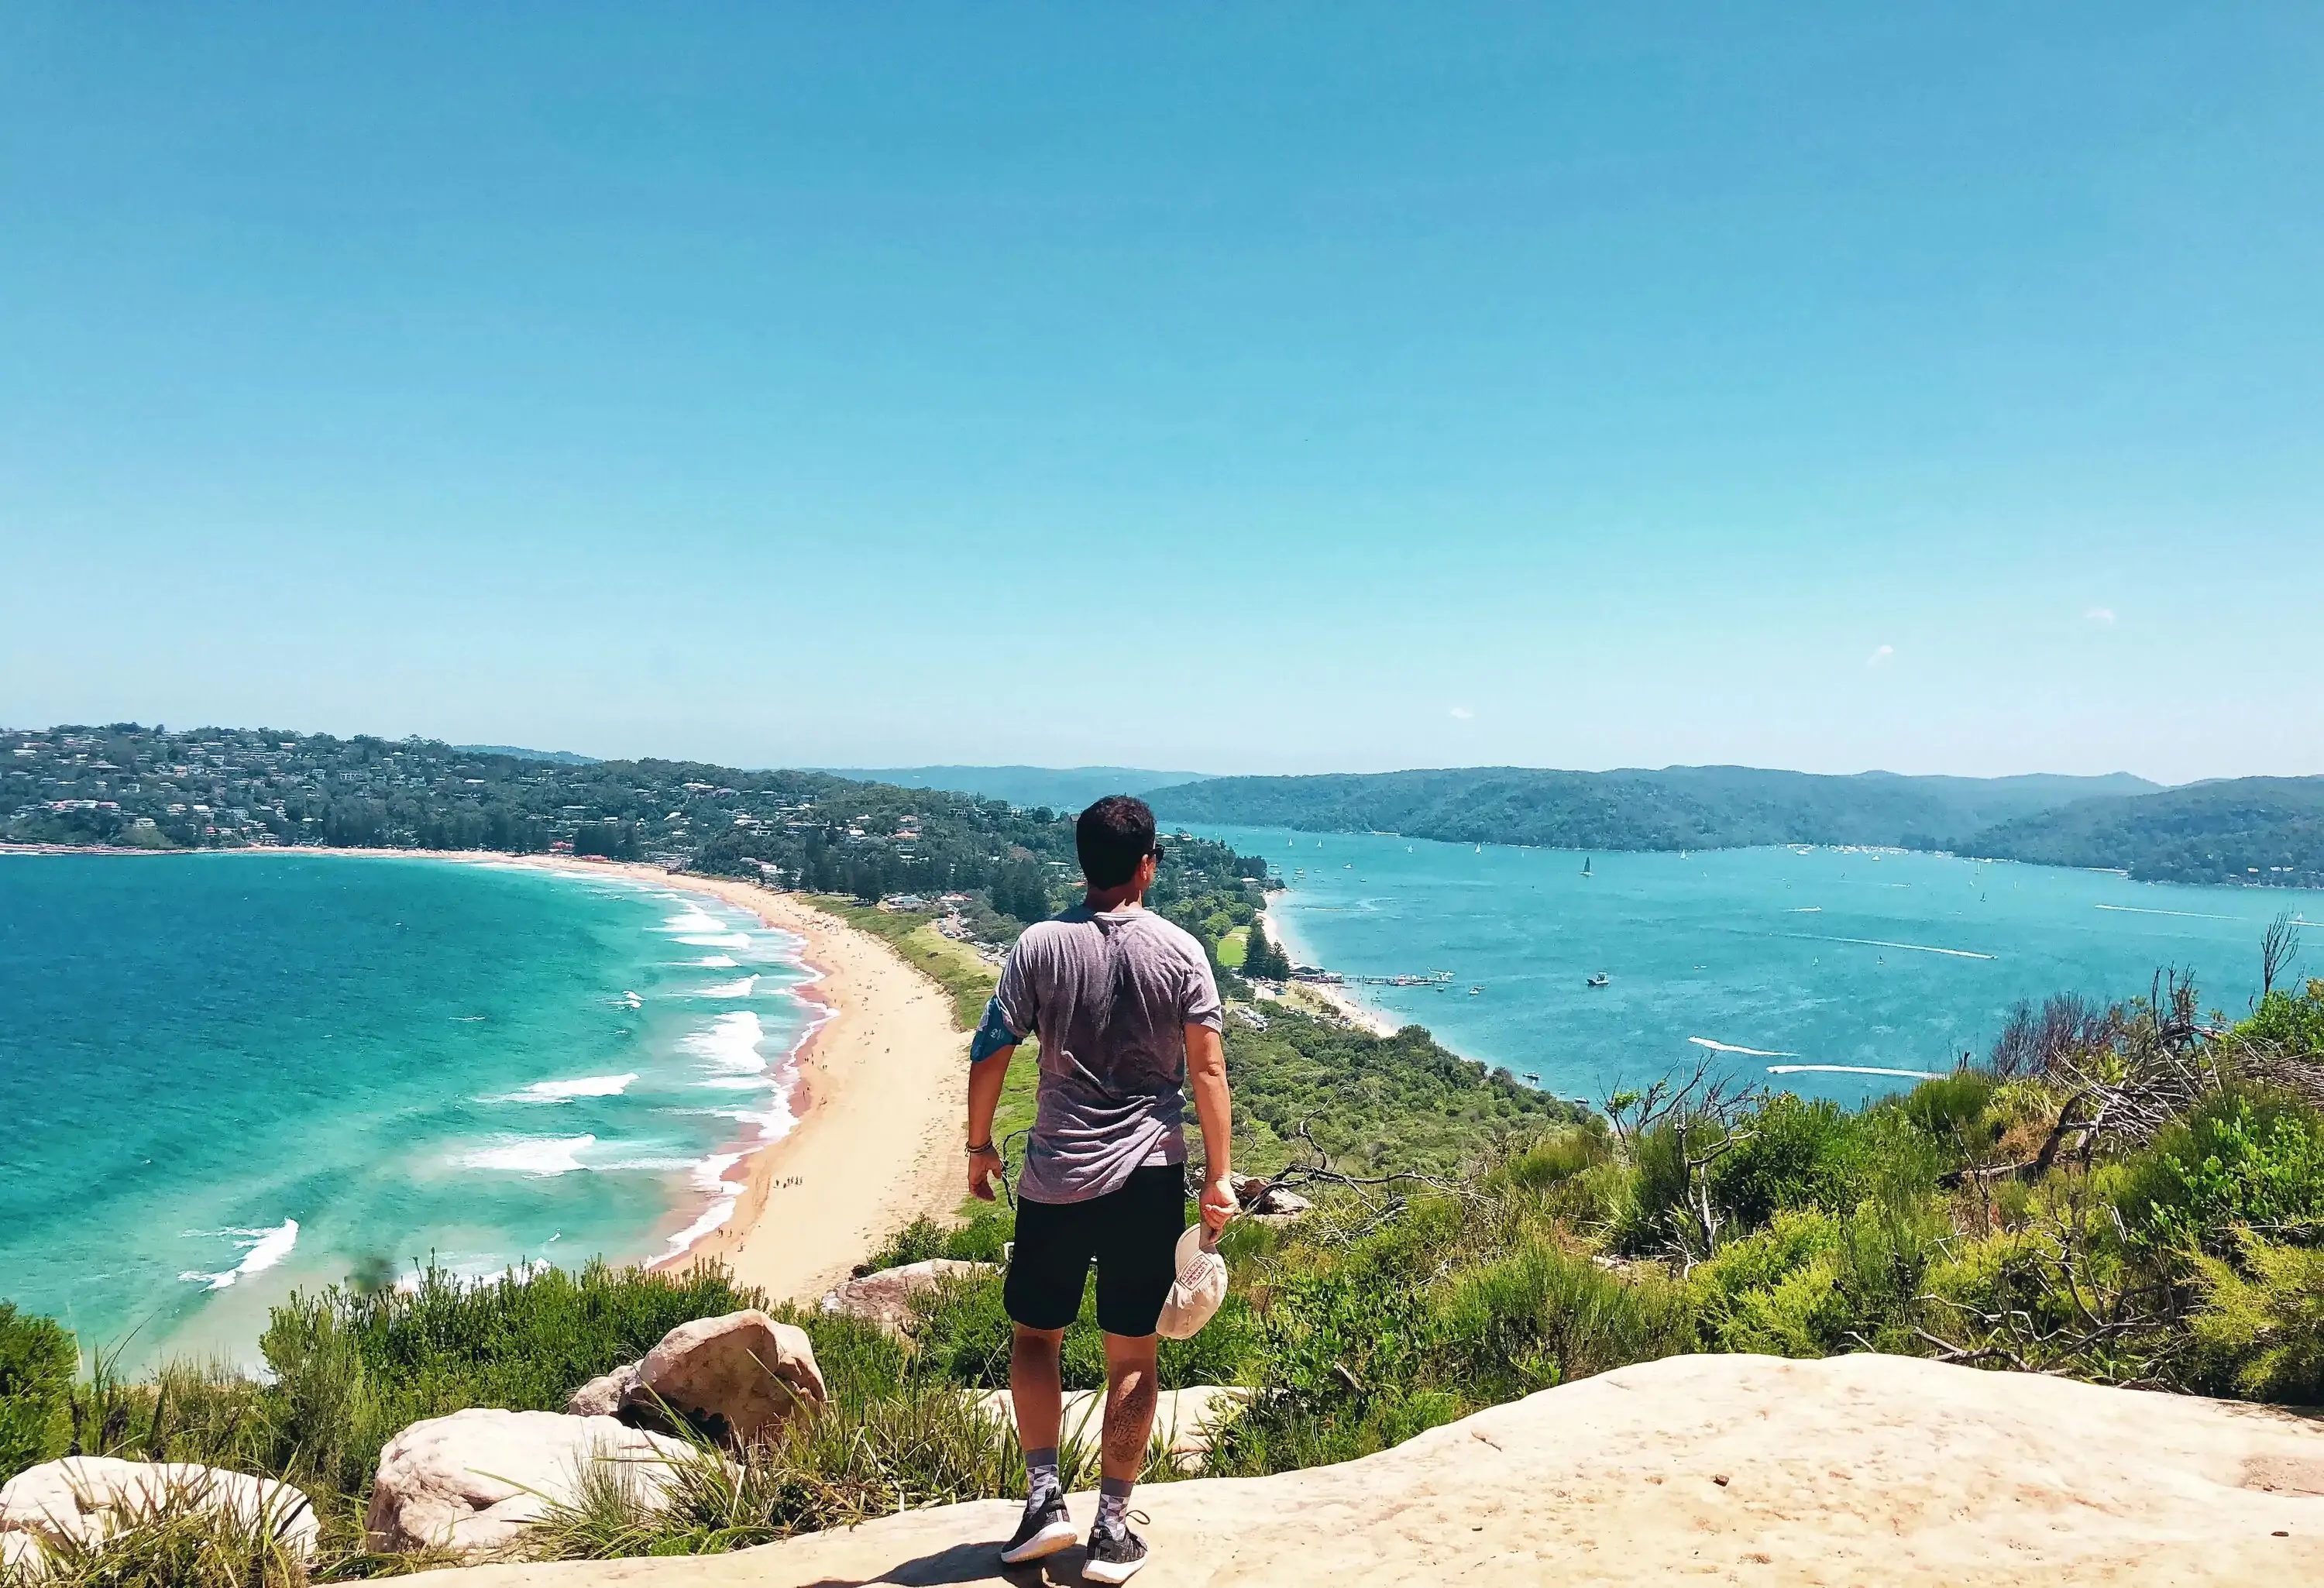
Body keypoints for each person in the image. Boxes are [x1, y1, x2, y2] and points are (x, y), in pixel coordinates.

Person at [965, 794, 1236, 1584]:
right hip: (1150, 1175)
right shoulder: (1181, 951)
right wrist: (1219, 1175)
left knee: (1035, 1335)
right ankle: (1112, 1528)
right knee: (1133, 1352)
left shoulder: (1039, 946)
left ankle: (1044, 1498)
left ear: (1083, 863)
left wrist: (979, 1148)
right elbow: (1208, 1066)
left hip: (1056, 1175)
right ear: (1148, 860)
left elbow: (990, 1052)